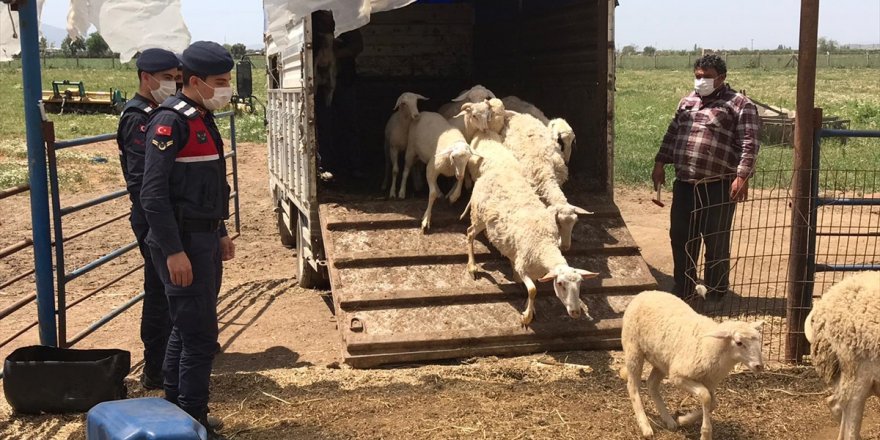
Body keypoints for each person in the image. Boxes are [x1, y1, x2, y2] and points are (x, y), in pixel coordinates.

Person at [141, 40, 235, 438]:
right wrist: (175, 251)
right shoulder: (171, 122)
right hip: (182, 243)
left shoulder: (201, 115)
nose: (227, 88)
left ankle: (178, 411)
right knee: (200, 337)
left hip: (205, 237)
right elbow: (152, 195)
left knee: (186, 327)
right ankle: (194, 422)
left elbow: (212, 182)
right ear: (195, 81)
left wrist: (222, 229)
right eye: (221, 81)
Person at [651, 54, 760, 301]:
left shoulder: (740, 104)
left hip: (718, 185)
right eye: (698, 76)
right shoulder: (688, 101)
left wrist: (742, 176)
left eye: (707, 77)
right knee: (681, 237)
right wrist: (660, 163)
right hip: (685, 184)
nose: (701, 81)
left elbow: (749, 143)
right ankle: (684, 287)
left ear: (721, 78)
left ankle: (716, 293)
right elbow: (672, 133)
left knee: (716, 241)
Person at [116, 48, 180, 390]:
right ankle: (156, 367)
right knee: (159, 292)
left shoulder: (156, 112)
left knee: (167, 289)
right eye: (167, 78)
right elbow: (144, 180)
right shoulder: (137, 118)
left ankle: (168, 358)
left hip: (161, 215)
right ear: (146, 78)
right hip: (151, 217)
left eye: (176, 78)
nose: (173, 84)